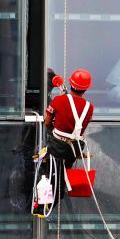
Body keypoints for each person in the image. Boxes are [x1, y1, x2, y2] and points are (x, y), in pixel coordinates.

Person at [34, 69, 95, 215]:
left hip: (57, 146)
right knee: (60, 176)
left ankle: (42, 206)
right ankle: (55, 197)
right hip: (73, 149)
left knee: (46, 175)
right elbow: (79, 128)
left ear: (70, 83)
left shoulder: (59, 100)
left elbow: (47, 122)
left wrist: (54, 128)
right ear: (86, 88)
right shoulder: (89, 107)